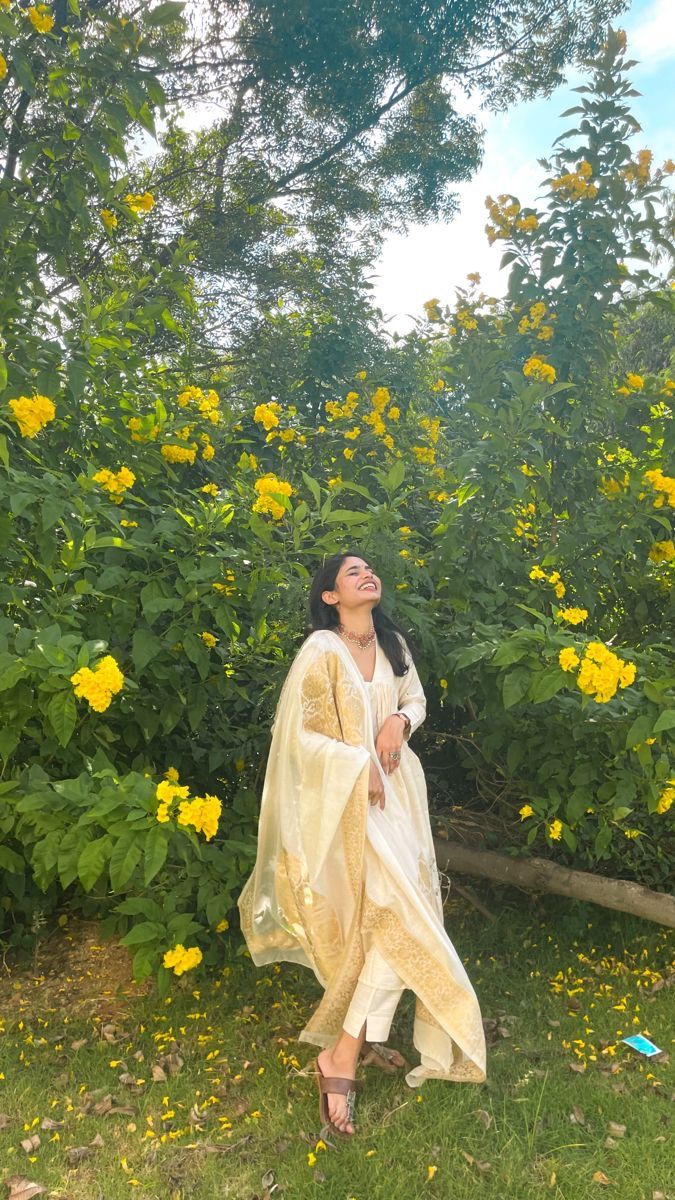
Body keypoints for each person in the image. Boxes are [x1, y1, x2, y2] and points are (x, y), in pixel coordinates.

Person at [237, 552, 486, 1136]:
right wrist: (357, 764)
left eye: (370, 570)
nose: (367, 575)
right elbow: (296, 737)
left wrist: (400, 722)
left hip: (399, 801)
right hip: (349, 808)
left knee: (398, 922)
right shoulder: (320, 653)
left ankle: (354, 1046)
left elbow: (415, 700)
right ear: (329, 597)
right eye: (352, 573)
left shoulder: (392, 641)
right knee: (397, 922)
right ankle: (345, 1052)